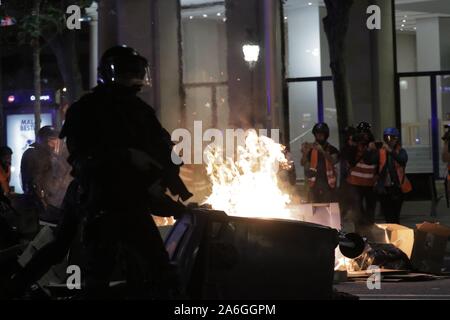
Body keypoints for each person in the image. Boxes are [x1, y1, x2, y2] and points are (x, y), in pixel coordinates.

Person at [4, 45, 191, 300]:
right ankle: (14, 288)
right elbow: (83, 158)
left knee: (152, 269)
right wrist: (127, 156)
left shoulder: (140, 111)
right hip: (98, 198)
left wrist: (169, 171)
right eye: (125, 72)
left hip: (127, 197)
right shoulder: (88, 109)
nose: (130, 78)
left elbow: (163, 148)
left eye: (134, 71)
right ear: (109, 73)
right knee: (100, 271)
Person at [20, 126, 71, 224]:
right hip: (38, 208)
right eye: (51, 140)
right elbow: (32, 182)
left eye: (56, 139)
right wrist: (43, 203)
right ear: (42, 140)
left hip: (53, 206)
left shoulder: (53, 155)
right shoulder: (32, 154)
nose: (55, 143)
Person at [344, 122, 379, 230]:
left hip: (369, 183)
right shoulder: (354, 145)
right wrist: (352, 145)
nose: (363, 136)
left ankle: (369, 229)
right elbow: (349, 159)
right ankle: (359, 230)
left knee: (370, 209)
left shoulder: (373, 146)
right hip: (355, 182)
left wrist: (370, 149)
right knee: (357, 209)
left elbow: (373, 161)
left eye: (365, 133)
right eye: (361, 134)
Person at [376, 128, 411, 224]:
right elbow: (371, 161)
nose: (390, 141)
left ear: (397, 139)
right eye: (387, 138)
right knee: (388, 216)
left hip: (397, 187)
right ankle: (391, 236)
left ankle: (397, 235)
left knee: (395, 215)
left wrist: (391, 151)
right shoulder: (381, 151)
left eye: (392, 138)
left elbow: (402, 160)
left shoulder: (401, 151)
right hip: (384, 188)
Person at [301, 122, 339, 203]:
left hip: (328, 185)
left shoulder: (332, 149)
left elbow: (333, 161)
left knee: (328, 206)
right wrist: (305, 152)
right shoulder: (311, 149)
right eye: (317, 134)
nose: (318, 136)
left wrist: (322, 150)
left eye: (321, 134)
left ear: (326, 135)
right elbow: (303, 163)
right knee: (313, 207)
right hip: (313, 184)